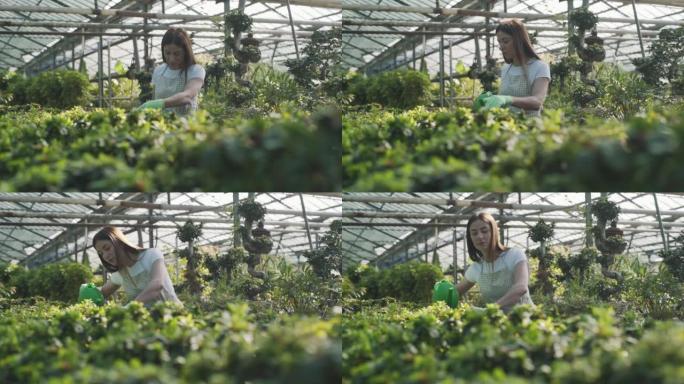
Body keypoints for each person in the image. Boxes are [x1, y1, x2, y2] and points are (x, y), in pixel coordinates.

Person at [456, 212, 533, 313]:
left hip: (527, 320)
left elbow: (521, 287)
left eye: (484, 231)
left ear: (494, 232)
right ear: (470, 238)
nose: (479, 236)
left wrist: (491, 309)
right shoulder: (477, 268)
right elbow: (455, 292)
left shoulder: (514, 255)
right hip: (497, 323)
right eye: (474, 233)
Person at [477, 19, 550, 117]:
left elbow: (537, 102)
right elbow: (505, 100)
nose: (501, 46)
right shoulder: (506, 68)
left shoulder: (540, 67)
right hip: (508, 126)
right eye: (499, 42)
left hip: (530, 128)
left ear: (519, 40)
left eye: (505, 41)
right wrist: (491, 98)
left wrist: (508, 99)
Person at [93, 226, 181, 306]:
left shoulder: (151, 255)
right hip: (148, 322)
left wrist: (130, 307)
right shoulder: (120, 273)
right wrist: (87, 290)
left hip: (175, 318)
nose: (105, 256)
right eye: (101, 253)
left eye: (107, 248)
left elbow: (157, 285)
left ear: (119, 242)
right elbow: (102, 293)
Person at [138, 28, 205, 115]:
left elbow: (187, 96)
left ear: (186, 52)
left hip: (186, 126)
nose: (172, 59)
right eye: (167, 53)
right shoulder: (159, 71)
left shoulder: (195, 71)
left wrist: (156, 104)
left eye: (177, 54)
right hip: (160, 125)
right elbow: (155, 97)